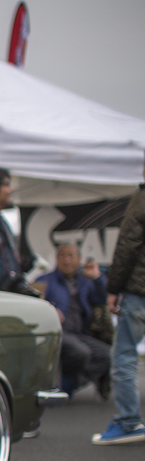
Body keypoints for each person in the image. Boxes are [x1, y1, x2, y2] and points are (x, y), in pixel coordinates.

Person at [92, 171, 145, 445]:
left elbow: (128, 245)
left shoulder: (142, 197)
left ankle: (129, 422)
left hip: (139, 291)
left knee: (124, 355)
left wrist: (113, 288)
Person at [34, 244, 110, 398]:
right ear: (57, 259)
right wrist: (49, 309)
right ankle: (66, 383)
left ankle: (71, 382)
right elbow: (32, 301)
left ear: (79, 260)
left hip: (79, 333)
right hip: (56, 332)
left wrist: (97, 278)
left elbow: (102, 299)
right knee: (81, 352)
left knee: (107, 355)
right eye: (62, 256)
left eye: (71, 256)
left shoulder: (85, 282)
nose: (67, 260)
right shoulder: (44, 280)